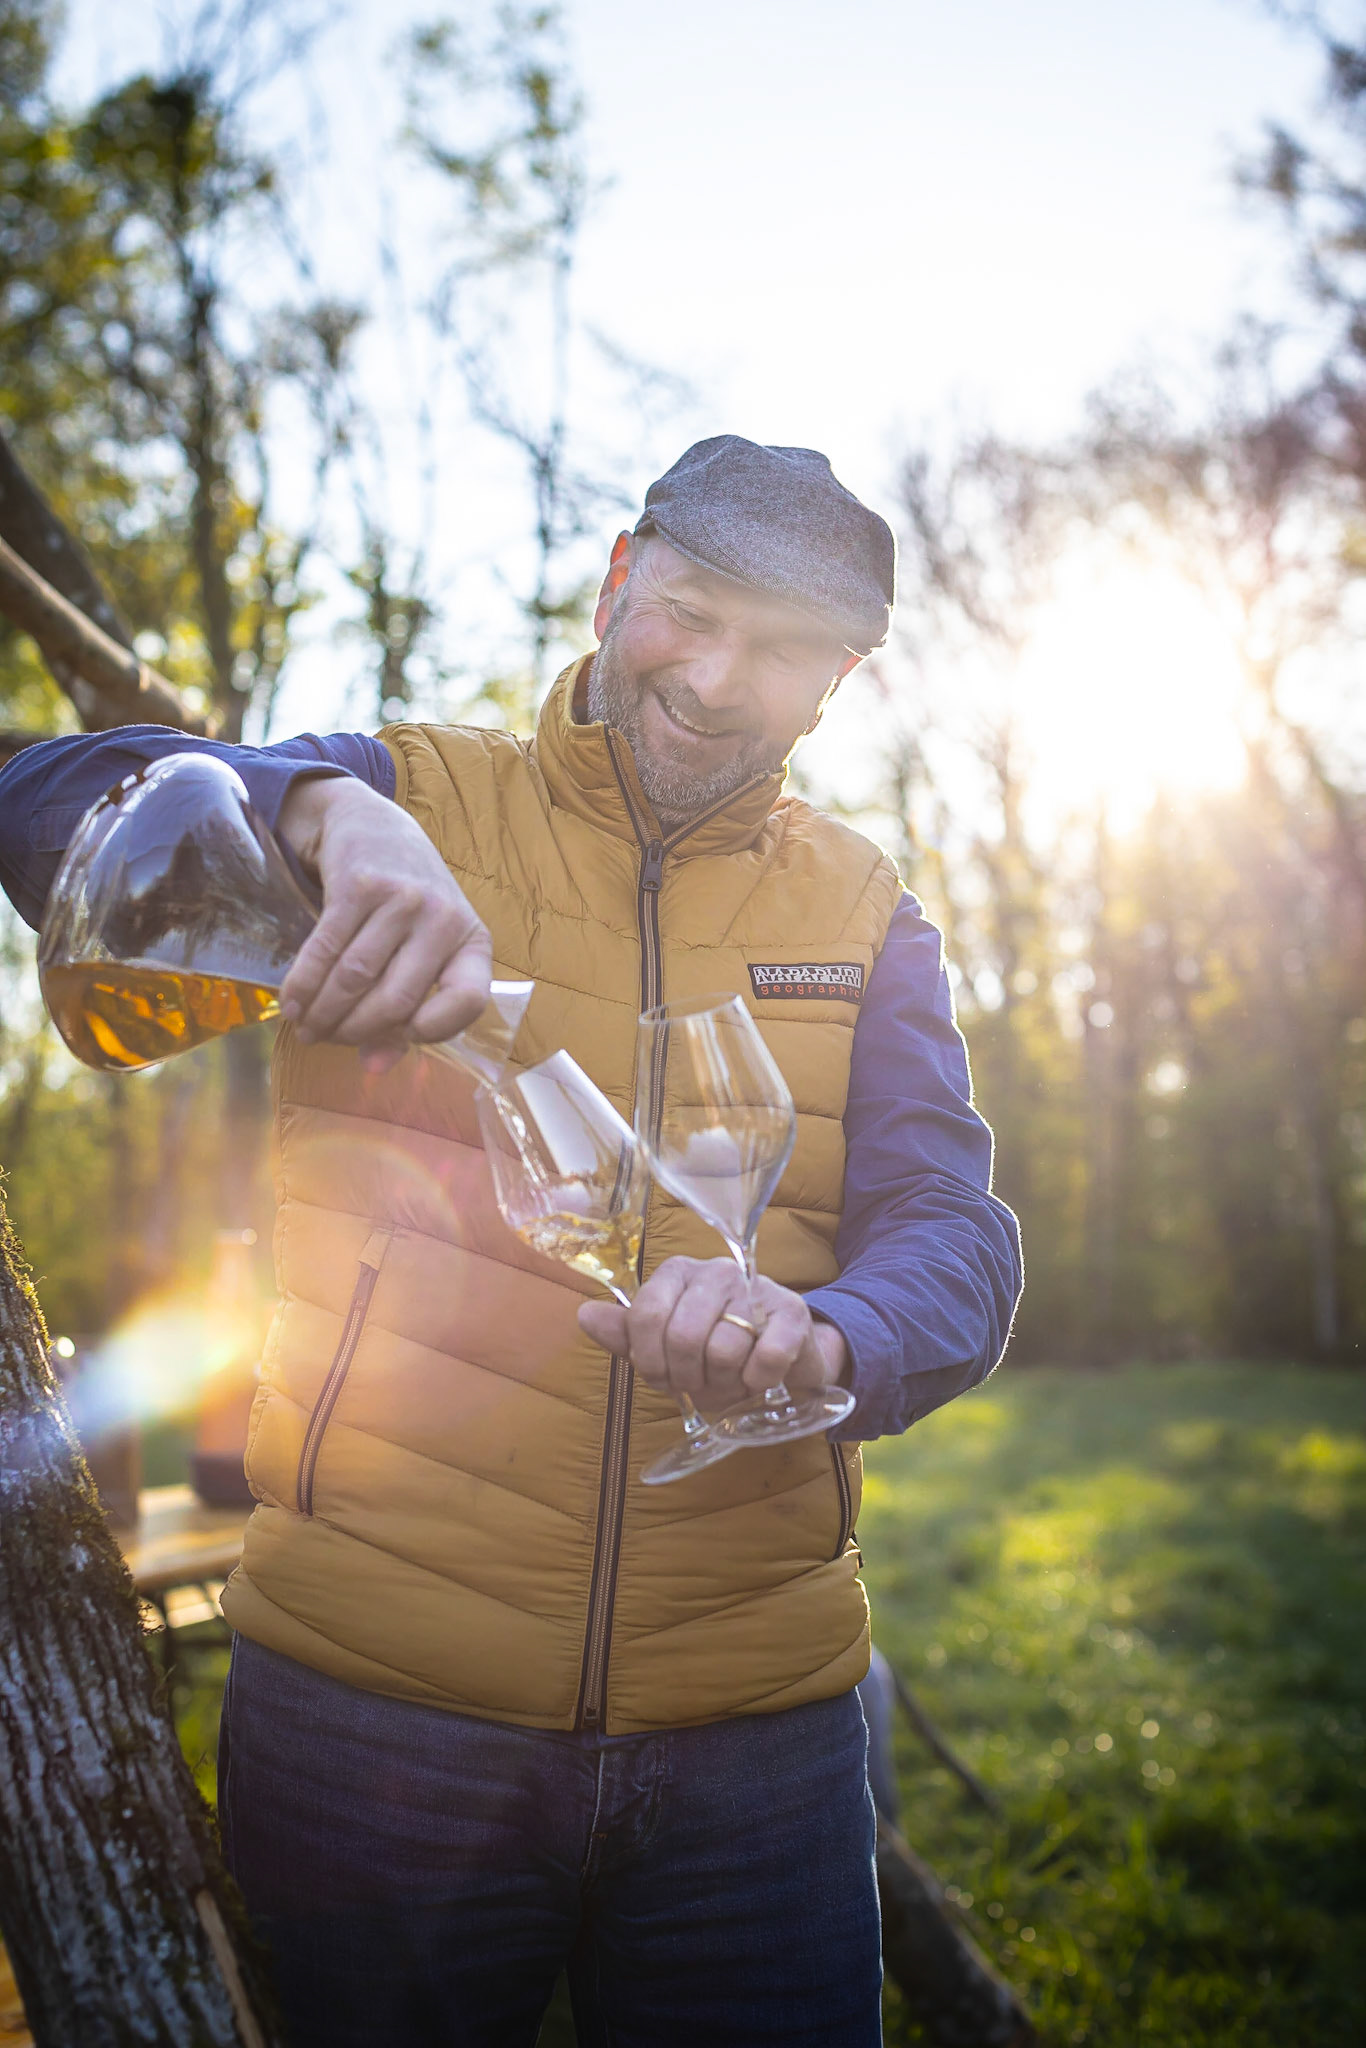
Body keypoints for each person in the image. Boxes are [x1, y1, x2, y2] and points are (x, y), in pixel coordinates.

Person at [0, 435, 1022, 2048]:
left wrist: (834, 1337)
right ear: (618, 582)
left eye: (782, 650)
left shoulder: (864, 911)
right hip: (369, 1728)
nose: (715, 679)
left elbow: (952, 1229)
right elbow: (43, 800)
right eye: (692, 611)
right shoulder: (406, 793)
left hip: (760, 1739)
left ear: (837, 686)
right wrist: (321, 808)